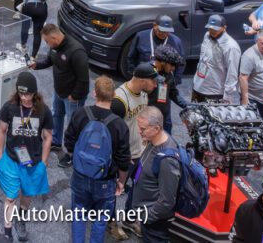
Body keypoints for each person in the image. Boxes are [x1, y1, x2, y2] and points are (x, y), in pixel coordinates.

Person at [65, 75, 130, 243]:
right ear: (113, 96)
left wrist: (79, 161)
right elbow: (123, 160)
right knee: (100, 219)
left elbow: (69, 142)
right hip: (105, 180)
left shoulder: (80, 114)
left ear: (94, 93)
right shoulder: (119, 125)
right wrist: (121, 182)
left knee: (78, 215)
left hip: (80, 176)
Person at [0, 71, 52, 242]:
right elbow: (1, 130)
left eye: (28, 94)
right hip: (12, 160)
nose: (25, 97)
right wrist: (0, 158)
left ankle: (21, 219)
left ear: (35, 93)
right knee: (10, 197)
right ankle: (7, 231)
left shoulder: (43, 110)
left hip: (32, 163)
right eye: (21, 93)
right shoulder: (9, 107)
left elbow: (48, 137)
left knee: (27, 195)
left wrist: (43, 162)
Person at [30, 23, 89, 165]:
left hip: (73, 97)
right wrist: (36, 65)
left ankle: (71, 154)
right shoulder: (55, 47)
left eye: (46, 41)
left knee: (73, 125)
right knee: (56, 116)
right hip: (59, 91)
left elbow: (84, 80)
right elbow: (50, 61)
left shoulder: (76, 51)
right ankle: (56, 141)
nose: (46, 44)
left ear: (54, 37)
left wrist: (74, 96)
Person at [129, 107, 182, 243]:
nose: (140, 132)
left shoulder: (167, 160)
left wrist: (147, 217)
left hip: (155, 224)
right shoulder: (153, 141)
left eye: (143, 129)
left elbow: (167, 201)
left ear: (157, 129)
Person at [111, 63, 156, 176]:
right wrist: (122, 156)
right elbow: (112, 134)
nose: (155, 85)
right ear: (142, 81)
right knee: (118, 188)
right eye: (152, 81)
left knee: (137, 183)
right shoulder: (119, 101)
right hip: (127, 156)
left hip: (140, 152)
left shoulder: (144, 93)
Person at [193, 14, 242, 104]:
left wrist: (227, 97)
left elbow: (232, 74)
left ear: (224, 28)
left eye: (216, 29)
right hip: (198, 86)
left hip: (214, 93)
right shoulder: (207, 35)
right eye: (210, 28)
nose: (212, 31)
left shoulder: (231, 47)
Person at [126, 15, 186, 82]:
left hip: (165, 81)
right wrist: (133, 75)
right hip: (144, 79)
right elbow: (131, 57)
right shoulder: (140, 36)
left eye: (167, 31)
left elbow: (181, 64)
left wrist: (175, 81)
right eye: (161, 30)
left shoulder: (176, 42)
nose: (164, 34)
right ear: (154, 25)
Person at [147, 45, 188, 135]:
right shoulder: (146, 72)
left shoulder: (169, 74)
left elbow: (173, 93)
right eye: (172, 65)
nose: (173, 68)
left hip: (165, 117)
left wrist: (187, 106)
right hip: (149, 118)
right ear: (163, 62)